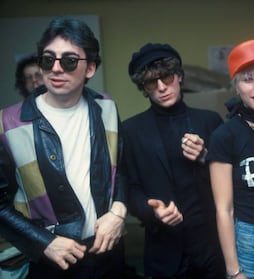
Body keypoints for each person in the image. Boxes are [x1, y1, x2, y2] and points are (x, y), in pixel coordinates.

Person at [0, 16, 127, 278]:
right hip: (49, 259)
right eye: (48, 59)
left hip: (106, 250)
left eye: (69, 61)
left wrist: (118, 210)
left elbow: (121, 169)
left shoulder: (106, 107)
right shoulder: (8, 123)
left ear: (90, 68)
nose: (56, 69)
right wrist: (42, 242)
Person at [123, 42, 226, 279]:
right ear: (144, 88)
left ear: (178, 76)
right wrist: (152, 214)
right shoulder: (131, 131)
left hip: (212, 245)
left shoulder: (210, 121)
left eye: (166, 77)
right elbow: (131, 189)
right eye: (151, 82)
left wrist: (204, 157)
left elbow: (232, 182)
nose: (161, 87)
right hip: (164, 251)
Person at [207, 39, 254, 279]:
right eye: (248, 79)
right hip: (251, 241)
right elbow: (224, 209)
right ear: (237, 86)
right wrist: (234, 270)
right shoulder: (226, 135)